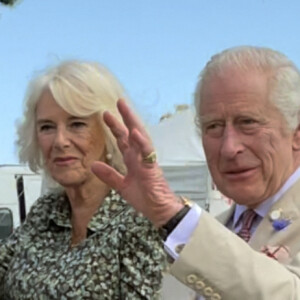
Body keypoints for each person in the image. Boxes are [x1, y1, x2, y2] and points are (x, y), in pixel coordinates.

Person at [91, 46, 300, 299]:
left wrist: (170, 213)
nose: (228, 147)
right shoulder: (209, 229)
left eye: (248, 122)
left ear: (296, 133)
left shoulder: (189, 231)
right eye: (213, 126)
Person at [0, 60, 166, 299]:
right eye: (47, 127)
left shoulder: (139, 221)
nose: (60, 141)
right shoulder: (46, 212)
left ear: (109, 130)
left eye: (77, 124)